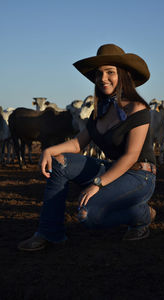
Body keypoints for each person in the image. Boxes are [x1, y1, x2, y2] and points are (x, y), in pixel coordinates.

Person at [18, 43, 156, 251]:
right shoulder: (98, 112)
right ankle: (48, 232)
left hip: (139, 175)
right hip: (113, 169)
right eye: (99, 73)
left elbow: (131, 155)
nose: (103, 79)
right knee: (59, 163)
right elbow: (77, 144)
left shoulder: (138, 109)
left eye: (110, 72)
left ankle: (142, 214)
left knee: (87, 215)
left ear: (124, 75)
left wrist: (98, 183)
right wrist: (49, 150)